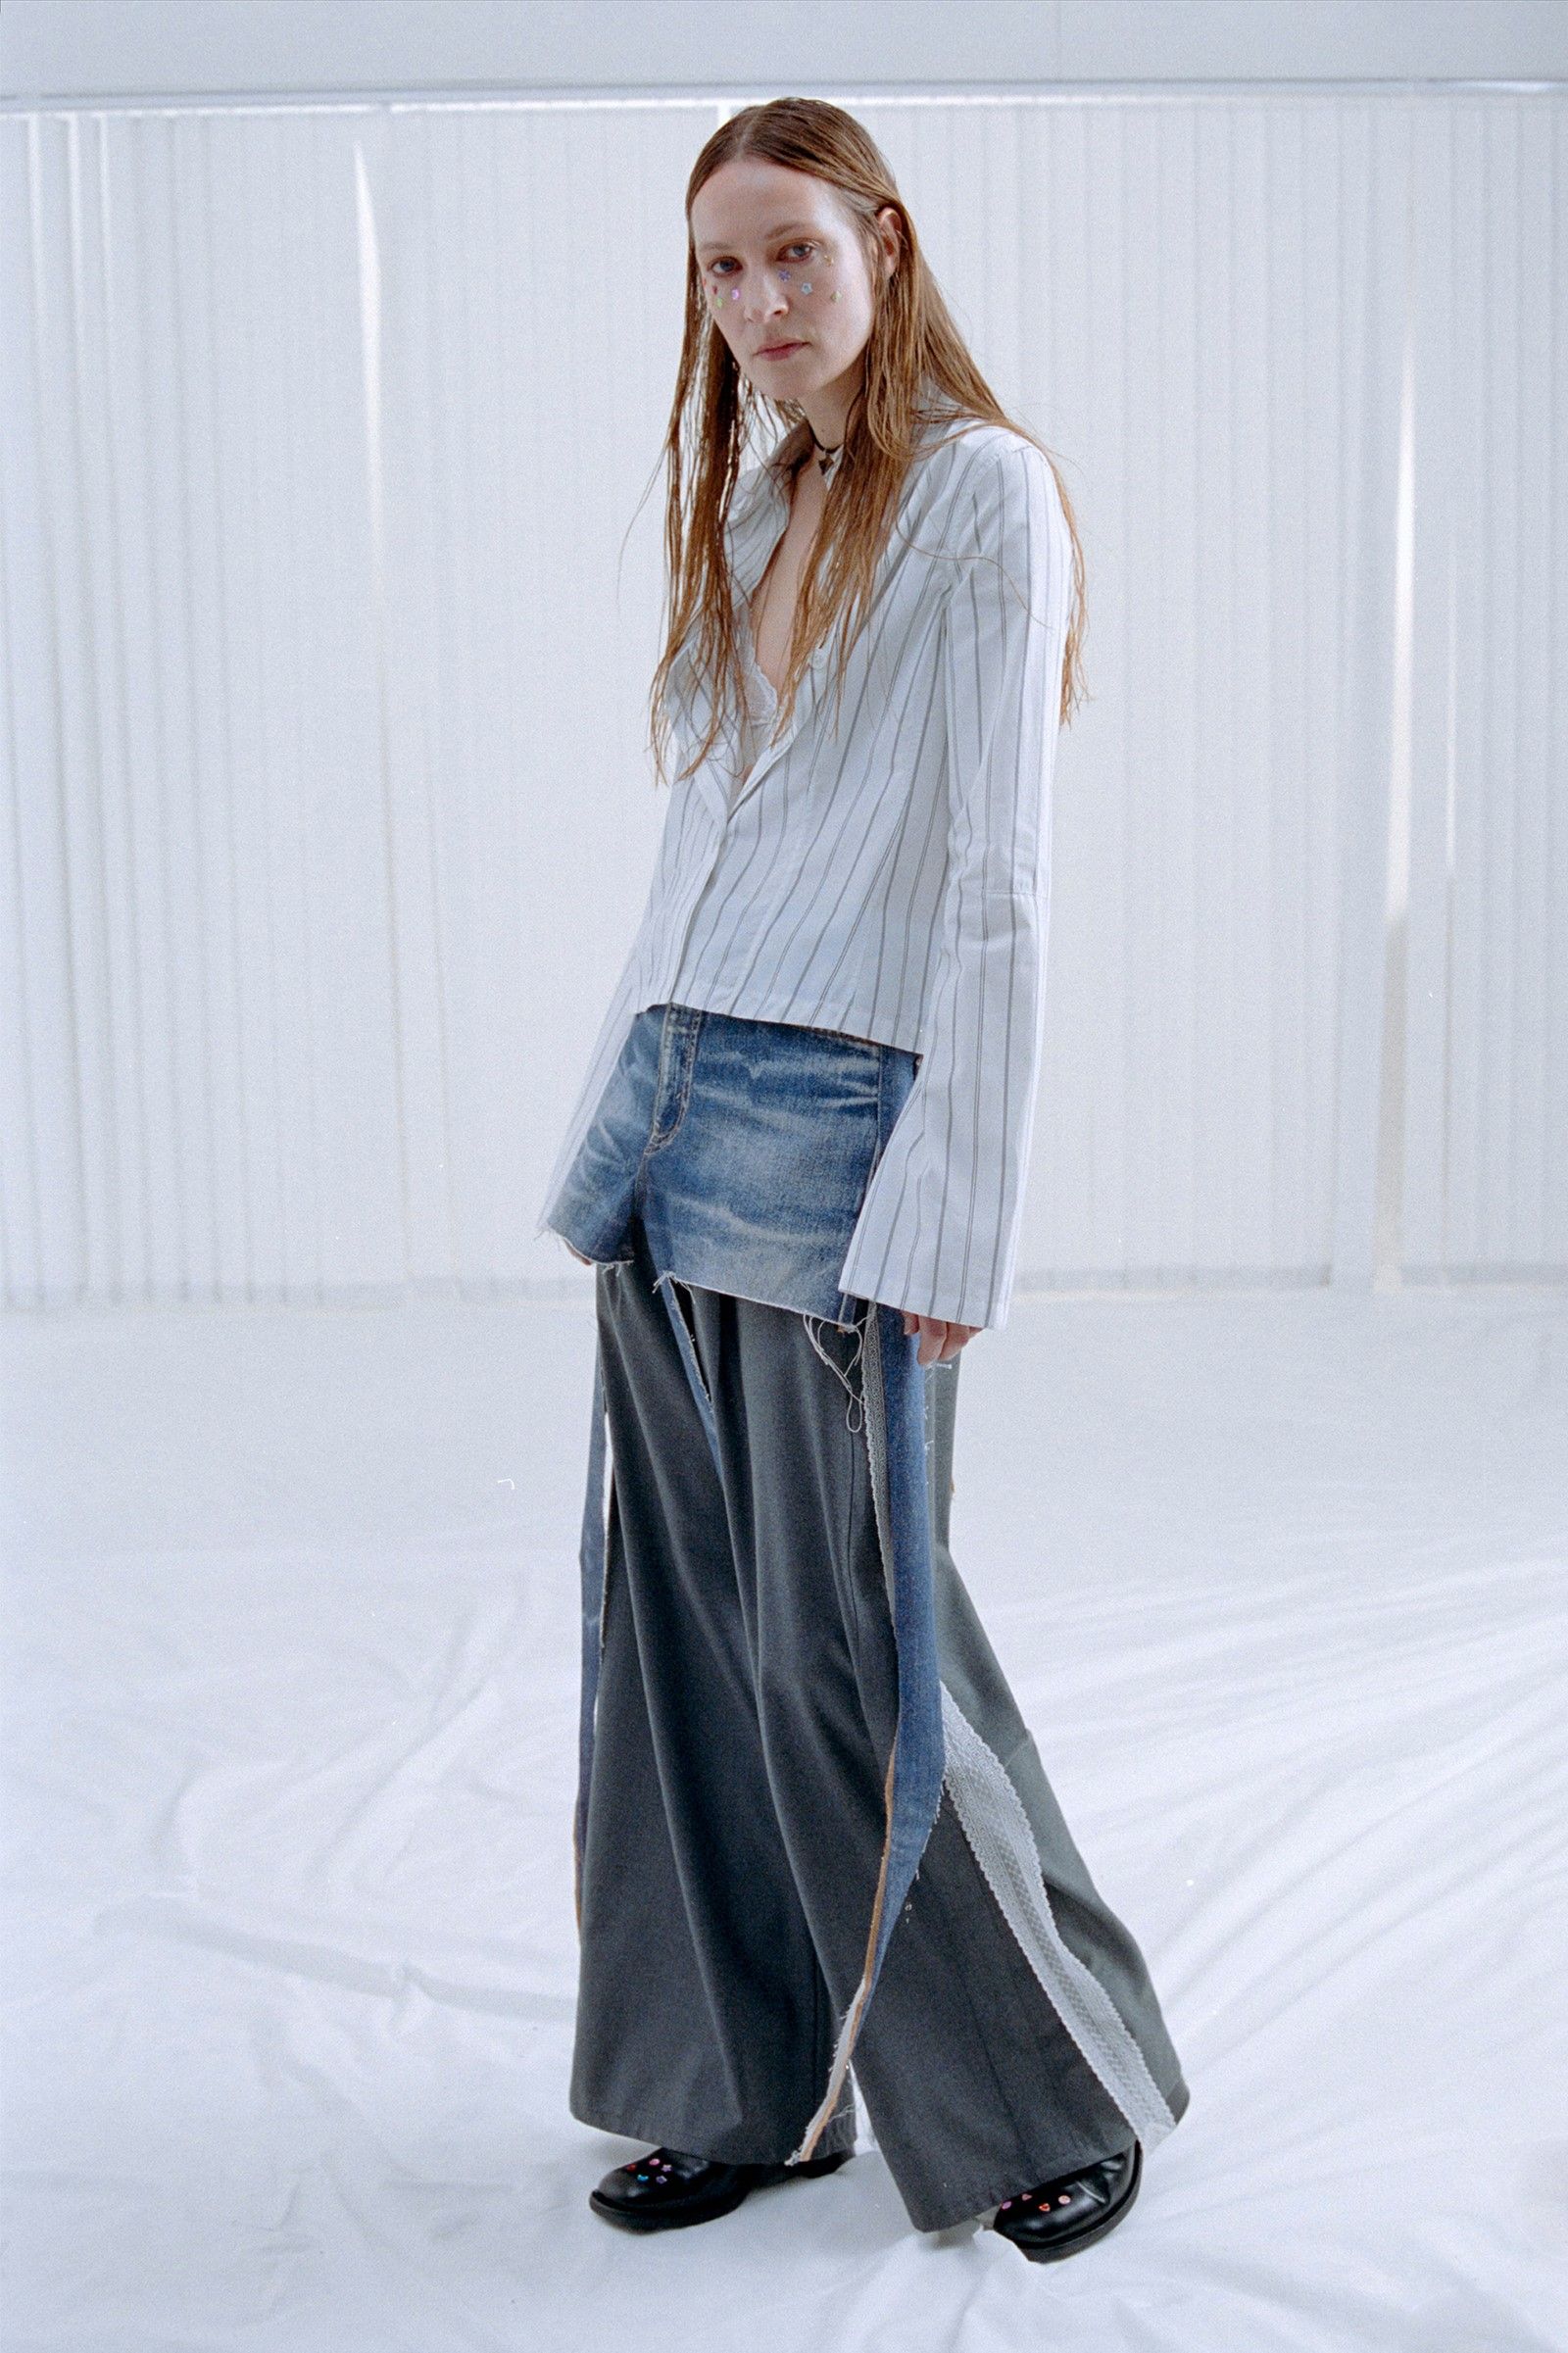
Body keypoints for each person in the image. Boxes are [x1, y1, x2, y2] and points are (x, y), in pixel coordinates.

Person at [534, 96, 1191, 2263]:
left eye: (792, 253)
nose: (758, 303)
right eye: (722, 270)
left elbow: (995, 874)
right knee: (683, 1645)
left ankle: (1049, 2086)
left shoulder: (983, 494)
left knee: (849, 1645)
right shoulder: (752, 505)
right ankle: (746, 2085)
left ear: (882, 245)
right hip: (669, 1114)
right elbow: (707, 845)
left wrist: (953, 1203)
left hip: (838, 1136)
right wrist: (611, 1122)